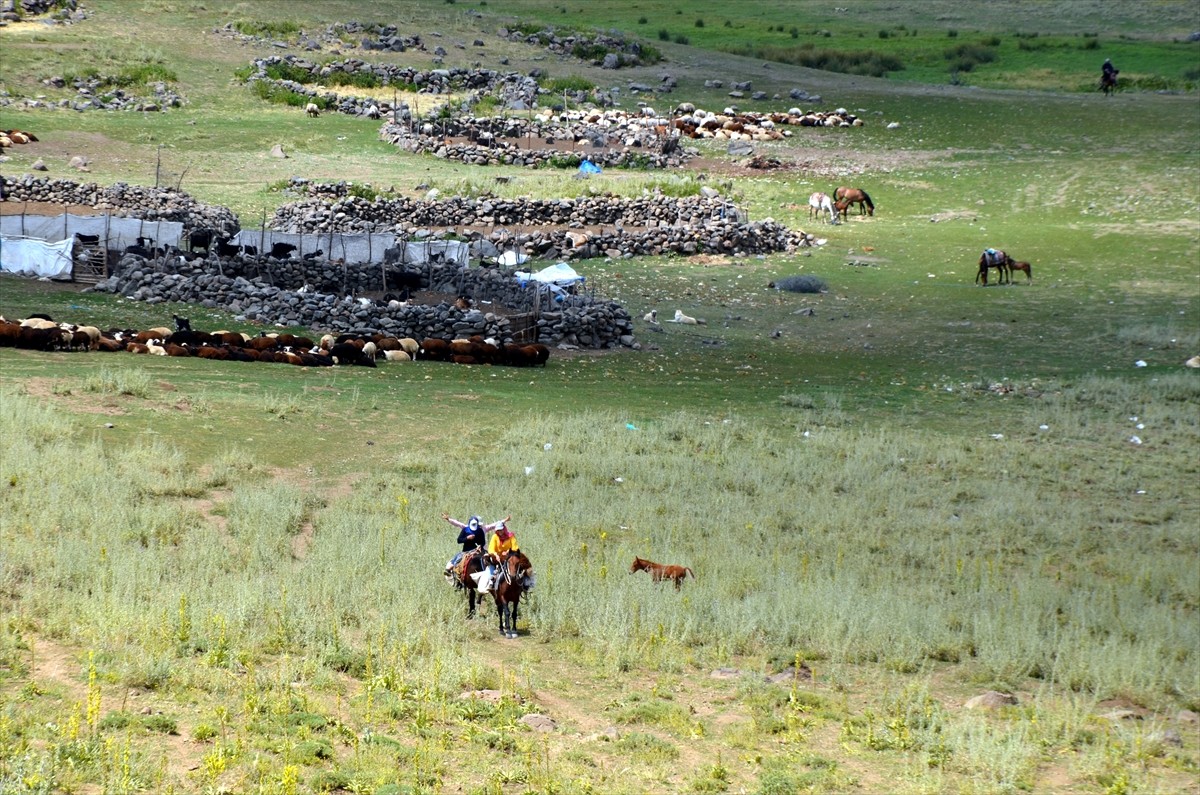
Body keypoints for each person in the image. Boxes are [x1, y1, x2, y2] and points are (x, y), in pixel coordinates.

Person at [443, 513, 508, 587]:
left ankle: (495, 577)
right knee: (457, 561)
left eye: (479, 524)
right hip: (467, 551)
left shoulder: (483, 529)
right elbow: (458, 525)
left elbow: (494, 525)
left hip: (481, 550)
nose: (479, 526)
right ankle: (454, 575)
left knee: (490, 561)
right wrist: (449, 519)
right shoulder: (466, 528)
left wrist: (504, 520)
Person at [480, 520, 519, 594]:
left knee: (519, 567)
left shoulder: (511, 536)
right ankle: (491, 582)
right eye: (498, 530)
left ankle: (523, 583)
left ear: (504, 528)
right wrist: (495, 554)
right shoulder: (495, 537)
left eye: (501, 530)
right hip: (497, 558)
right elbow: (491, 548)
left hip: (509, 557)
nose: (500, 532)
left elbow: (515, 547)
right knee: (492, 570)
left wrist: (508, 551)